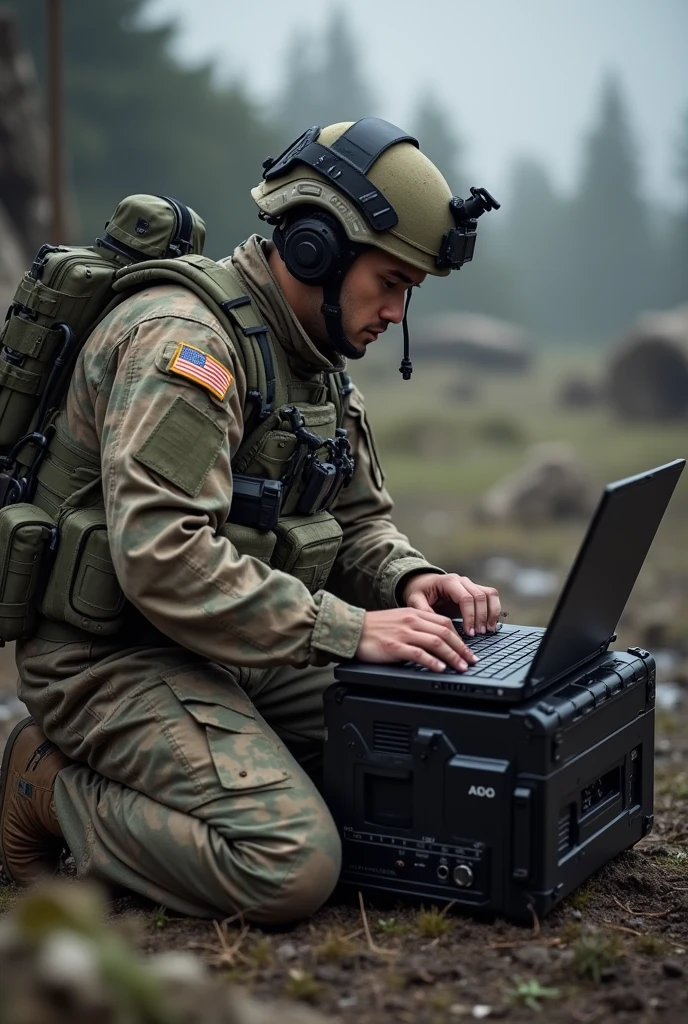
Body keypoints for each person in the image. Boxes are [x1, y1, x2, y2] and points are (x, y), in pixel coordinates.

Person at [0, 119, 500, 923]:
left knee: (430, 728)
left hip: (235, 648)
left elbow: (359, 521)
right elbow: (163, 556)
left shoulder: (313, 364)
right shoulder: (188, 345)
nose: (399, 313)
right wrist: (347, 631)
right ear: (315, 249)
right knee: (290, 863)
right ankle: (44, 784)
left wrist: (411, 577)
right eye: (391, 281)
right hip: (110, 659)